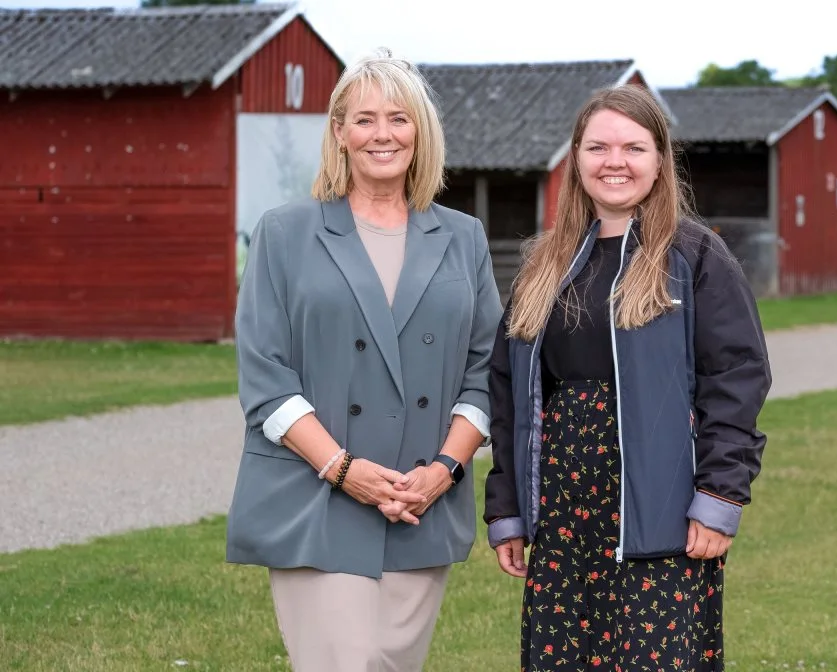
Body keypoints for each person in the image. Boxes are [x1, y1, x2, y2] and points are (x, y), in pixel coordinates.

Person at [226, 48, 502, 672]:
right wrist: (342, 469)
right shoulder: (284, 232)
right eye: (365, 119)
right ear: (340, 134)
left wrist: (444, 471)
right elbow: (266, 378)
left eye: (400, 119)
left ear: (421, 133)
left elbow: (485, 373)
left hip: (420, 503)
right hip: (314, 498)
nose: (383, 134)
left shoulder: (463, 237)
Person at [483, 84, 772, 671]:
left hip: (660, 516)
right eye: (599, 147)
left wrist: (718, 497)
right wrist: (507, 508)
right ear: (577, 158)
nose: (615, 162)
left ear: (660, 159)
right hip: (565, 515)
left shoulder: (694, 256)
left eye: (633, 148)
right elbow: (510, 395)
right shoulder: (544, 263)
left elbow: (736, 379)